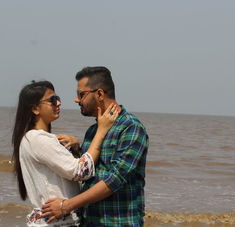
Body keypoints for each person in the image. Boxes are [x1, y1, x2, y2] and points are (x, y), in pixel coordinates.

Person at [41, 67, 149, 227]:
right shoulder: (93, 131)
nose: (76, 100)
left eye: (81, 94)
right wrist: (77, 149)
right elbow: (89, 173)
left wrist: (66, 206)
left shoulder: (131, 127)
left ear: (99, 94)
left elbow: (114, 180)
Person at [11, 80, 120, 226]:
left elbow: (66, 173)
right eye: (52, 100)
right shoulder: (37, 139)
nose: (58, 103)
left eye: (58, 98)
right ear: (36, 109)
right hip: (55, 222)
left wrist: (76, 147)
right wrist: (101, 130)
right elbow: (81, 171)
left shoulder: (35, 138)